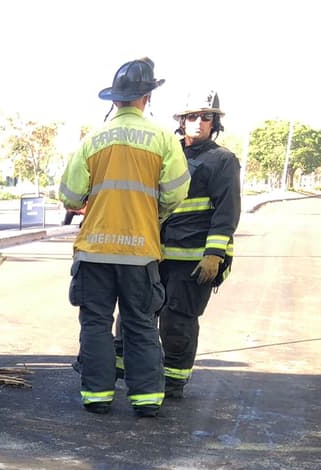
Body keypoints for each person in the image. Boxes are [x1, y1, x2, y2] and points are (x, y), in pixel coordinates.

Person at [58, 58, 189, 417]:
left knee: (96, 323)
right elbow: (176, 192)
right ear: (147, 96)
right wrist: (153, 215)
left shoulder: (93, 139)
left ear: (114, 100)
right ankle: (146, 399)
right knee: (140, 323)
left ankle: (97, 396)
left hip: (95, 251)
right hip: (140, 252)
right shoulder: (163, 139)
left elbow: (69, 195)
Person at [157, 91, 241, 398]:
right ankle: (129, 372)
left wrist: (214, 254)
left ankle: (174, 381)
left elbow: (226, 211)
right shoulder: (167, 154)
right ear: (181, 121)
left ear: (214, 122)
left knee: (177, 321)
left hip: (193, 260)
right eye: (191, 116)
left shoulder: (223, 161)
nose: (198, 122)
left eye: (206, 117)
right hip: (156, 254)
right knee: (136, 315)